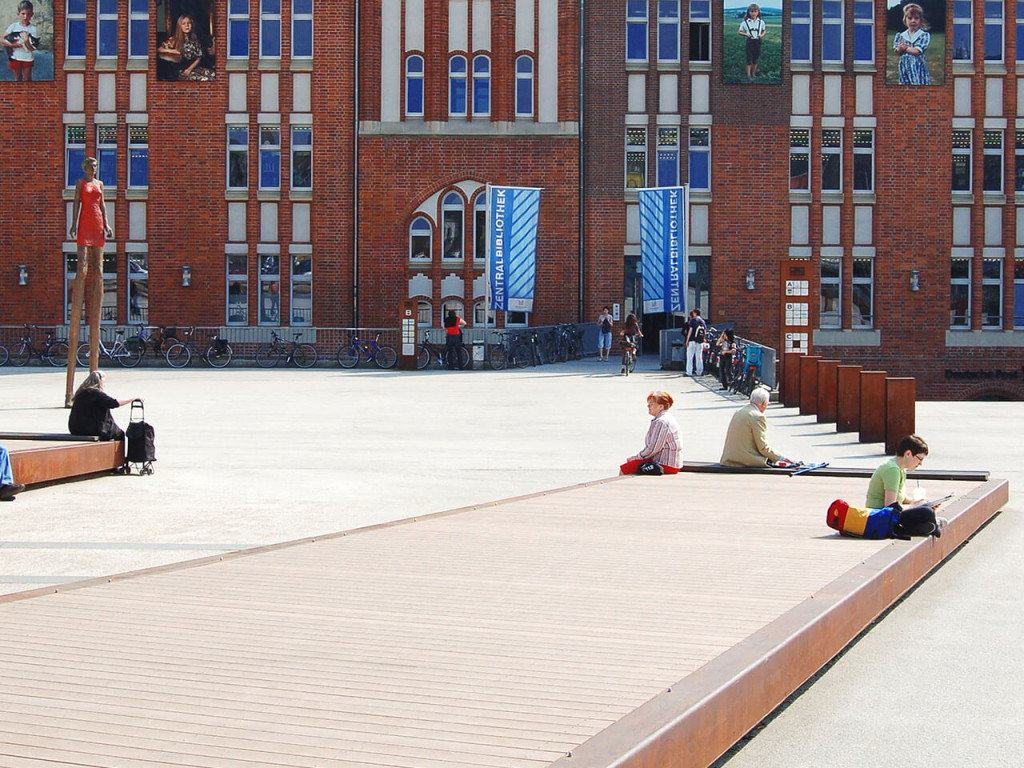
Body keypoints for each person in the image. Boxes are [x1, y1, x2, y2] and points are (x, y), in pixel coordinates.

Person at [865, 434, 946, 537]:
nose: (920, 463)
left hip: (889, 516)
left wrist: (918, 502)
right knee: (926, 512)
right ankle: (930, 525)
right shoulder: (892, 470)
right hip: (880, 518)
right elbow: (890, 506)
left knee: (926, 509)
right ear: (908, 453)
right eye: (919, 459)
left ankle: (923, 526)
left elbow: (901, 498)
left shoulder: (900, 469)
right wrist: (914, 507)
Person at [720, 386, 796, 467]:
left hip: (729, 458)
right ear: (763, 404)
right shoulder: (758, 416)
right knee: (773, 463)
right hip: (744, 460)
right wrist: (783, 458)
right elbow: (763, 447)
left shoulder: (739, 411)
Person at [620, 391, 683, 475]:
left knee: (626, 468)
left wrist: (637, 457)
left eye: (652, 404)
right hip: (668, 462)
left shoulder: (661, 422)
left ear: (661, 406)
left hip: (665, 464)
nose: (648, 406)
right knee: (631, 464)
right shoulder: (666, 418)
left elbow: (653, 448)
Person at [68, 371, 140, 442]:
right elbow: (114, 403)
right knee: (119, 434)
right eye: (104, 381)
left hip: (75, 428)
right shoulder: (96, 394)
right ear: (99, 381)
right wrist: (132, 399)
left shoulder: (81, 393)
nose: (104, 384)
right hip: (89, 429)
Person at [158, 15, 215, 81]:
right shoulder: (174, 39)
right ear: (180, 26)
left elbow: (199, 56)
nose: (187, 26)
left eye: (189, 23)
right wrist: (173, 51)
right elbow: (159, 49)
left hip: (193, 68)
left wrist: (190, 69)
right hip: (182, 71)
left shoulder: (194, 40)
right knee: (207, 79)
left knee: (214, 75)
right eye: (184, 23)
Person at [894, 3, 931, 86]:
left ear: (920, 20)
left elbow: (917, 51)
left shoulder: (923, 35)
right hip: (904, 65)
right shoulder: (901, 35)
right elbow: (898, 52)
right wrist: (900, 48)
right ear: (905, 20)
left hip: (917, 65)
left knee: (917, 83)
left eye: (916, 18)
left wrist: (905, 47)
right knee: (905, 84)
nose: (913, 21)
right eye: (910, 18)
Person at [2, 0, 39, 82]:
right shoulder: (13, 26)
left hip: (27, 58)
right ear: (18, 14)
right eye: (23, 14)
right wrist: (13, 45)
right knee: (18, 78)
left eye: (28, 14)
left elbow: (33, 48)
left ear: (31, 15)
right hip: (15, 57)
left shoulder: (33, 29)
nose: (25, 16)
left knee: (27, 79)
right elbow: (2, 39)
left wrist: (26, 41)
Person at [738, 3, 766, 82]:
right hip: (749, 42)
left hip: (757, 41)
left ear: (758, 12)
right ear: (749, 12)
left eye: (755, 11)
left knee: (755, 58)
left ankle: (754, 73)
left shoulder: (761, 22)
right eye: (752, 11)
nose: (753, 13)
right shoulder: (745, 22)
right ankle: (748, 75)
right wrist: (746, 34)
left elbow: (764, 30)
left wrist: (762, 35)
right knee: (748, 58)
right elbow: (739, 32)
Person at [685, 309, 707, 376]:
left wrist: (687, 340)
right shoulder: (703, 321)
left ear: (695, 313)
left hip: (692, 340)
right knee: (699, 357)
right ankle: (700, 371)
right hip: (700, 341)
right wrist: (703, 339)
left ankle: (689, 372)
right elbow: (705, 331)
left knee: (690, 357)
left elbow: (690, 331)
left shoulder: (693, 321)